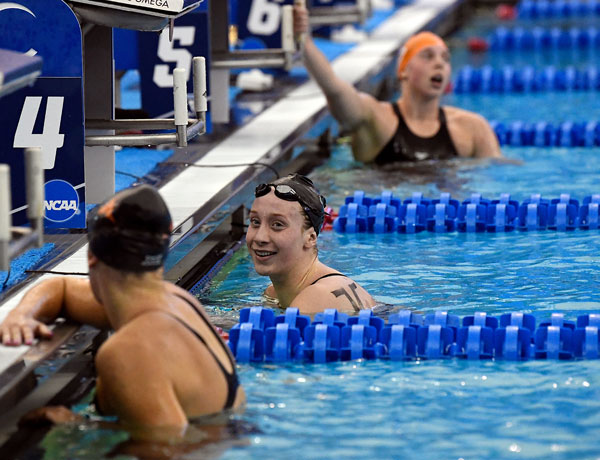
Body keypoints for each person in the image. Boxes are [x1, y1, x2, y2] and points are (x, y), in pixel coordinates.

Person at [0, 185, 245, 441]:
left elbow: (166, 447)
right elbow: (61, 288)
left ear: (92, 257)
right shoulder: (176, 299)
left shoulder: (128, 350)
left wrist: (77, 427)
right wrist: (23, 315)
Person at [293, 5, 502, 163]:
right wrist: (306, 42)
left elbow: (498, 177)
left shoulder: (473, 128)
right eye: (427, 56)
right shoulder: (374, 118)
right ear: (403, 70)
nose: (440, 64)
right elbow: (334, 89)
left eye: (445, 58)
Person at [247, 173, 375, 314]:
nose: (260, 237)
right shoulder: (274, 294)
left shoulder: (317, 298)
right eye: (255, 222)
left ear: (311, 238)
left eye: (278, 224)